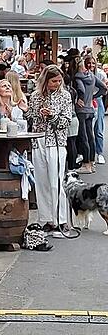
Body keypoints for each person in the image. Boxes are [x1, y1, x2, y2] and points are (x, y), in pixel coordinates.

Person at [25, 66, 73, 238]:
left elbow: (67, 121)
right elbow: (29, 117)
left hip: (57, 142)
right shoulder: (36, 96)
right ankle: (46, 219)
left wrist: (52, 116)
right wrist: (29, 111)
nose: (57, 84)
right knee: (42, 182)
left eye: (59, 81)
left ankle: (61, 220)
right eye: (53, 81)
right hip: (39, 140)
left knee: (56, 181)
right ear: (45, 81)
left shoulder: (65, 96)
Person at [73, 57, 107, 174]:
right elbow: (104, 88)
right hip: (91, 109)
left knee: (83, 137)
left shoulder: (77, 77)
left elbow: (81, 89)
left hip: (81, 110)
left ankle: (86, 163)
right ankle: (92, 162)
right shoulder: (92, 76)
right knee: (90, 136)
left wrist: (80, 98)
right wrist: (94, 96)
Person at [92, 59, 108, 165]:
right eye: (88, 63)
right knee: (86, 130)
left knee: (99, 128)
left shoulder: (100, 74)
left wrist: (94, 96)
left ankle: (99, 153)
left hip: (97, 100)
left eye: (93, 63)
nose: (91, 65)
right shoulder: (83, 73)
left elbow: (105, 88)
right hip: (86, 101)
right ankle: (87, 155)